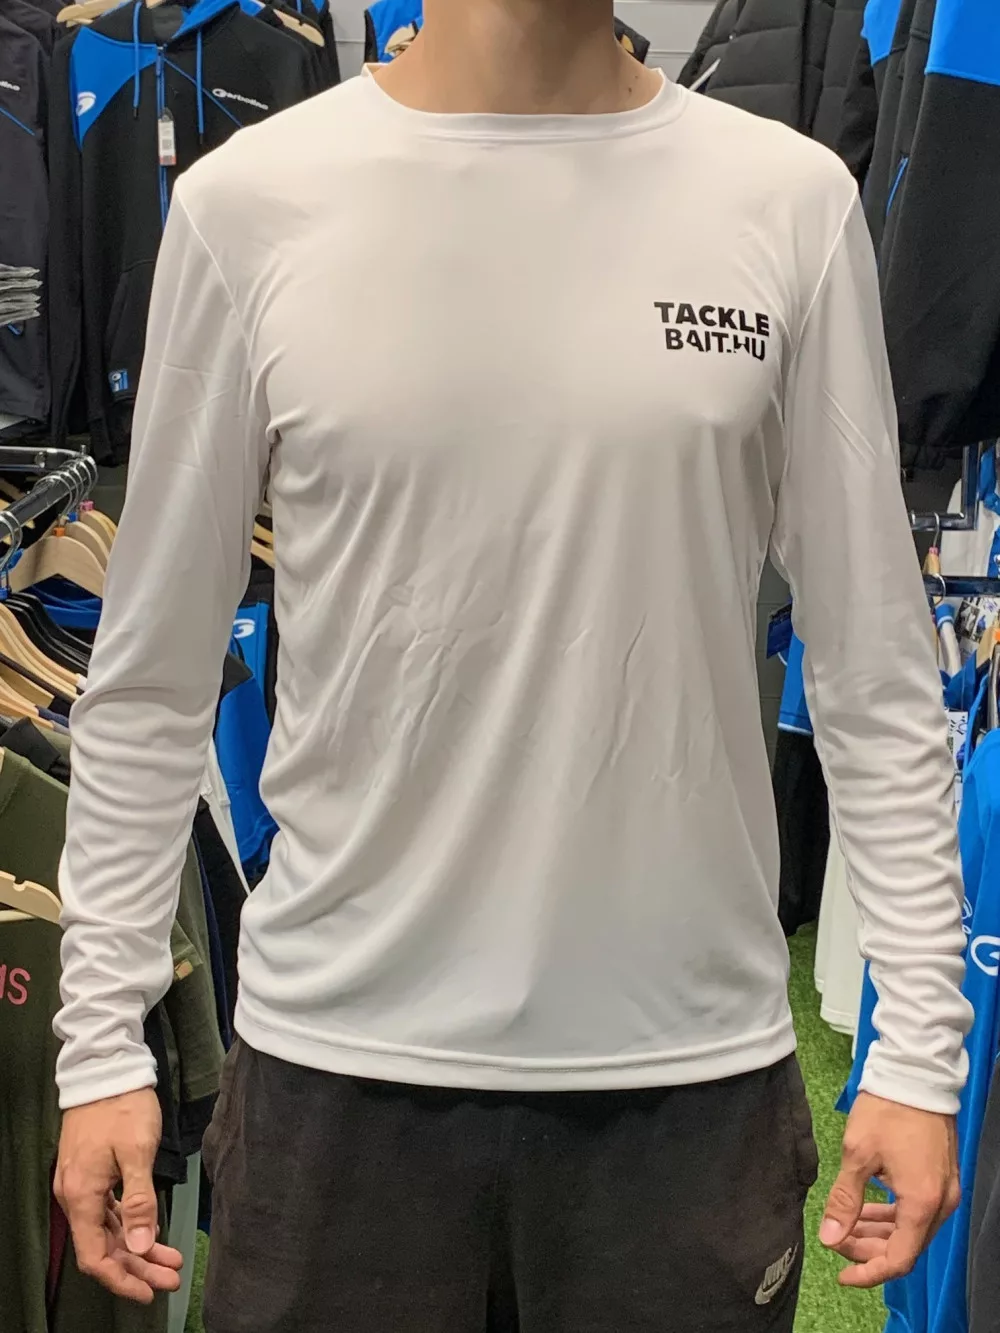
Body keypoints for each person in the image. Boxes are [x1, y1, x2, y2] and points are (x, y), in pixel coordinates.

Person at [52, 0, 972, 1329]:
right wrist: (101, 1049)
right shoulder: (251, 206)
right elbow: (150, 680)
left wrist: (920, 1055)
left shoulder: (785, 201)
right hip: (336, 1079)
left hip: (685, 1082)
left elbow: (876, 668)